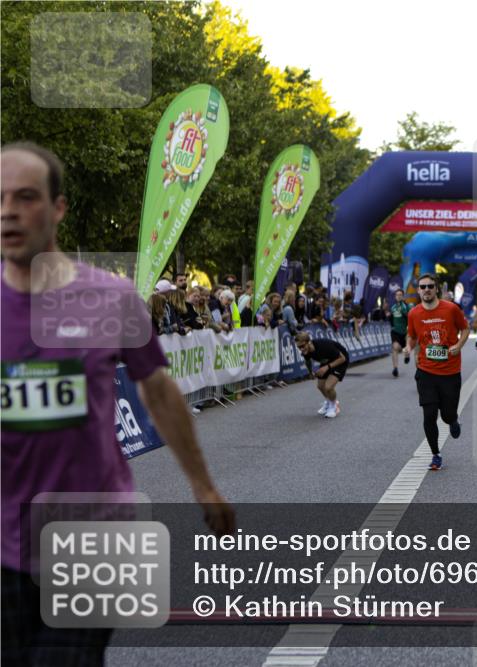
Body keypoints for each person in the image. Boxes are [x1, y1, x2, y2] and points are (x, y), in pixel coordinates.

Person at [1, 142, 234, 665]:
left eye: (25, 197)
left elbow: (157, 389)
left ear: (58, 208)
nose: (8, 211)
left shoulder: (109, 298)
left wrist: (203, 485)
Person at [405, 274, 469, 471]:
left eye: (430, 286)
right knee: (429, 414)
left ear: (437, 289)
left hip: (450, 372)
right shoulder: (414, 313)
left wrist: (458, 345)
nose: (426, 290)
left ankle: (452, 420)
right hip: (426, 371)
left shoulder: (450, 309)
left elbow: (465, 329)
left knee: (447, 414)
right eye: (422, 287)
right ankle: (435, 454)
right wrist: (409, 346)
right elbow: (412, 334)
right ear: (419, 290)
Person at [295, 331, 349, 418]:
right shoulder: (306, 351)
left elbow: (342, 358)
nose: (301, 349)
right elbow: (307, 361)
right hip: (327, 361)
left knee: (328, 387)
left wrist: (326, 367)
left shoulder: (324, 345)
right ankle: (329, 402)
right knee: (320, 386)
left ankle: (334, 406)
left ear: (309, 342)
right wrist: (310, 372)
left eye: (302, 346)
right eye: (298, 347)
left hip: (340, 361)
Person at [389, 289, 411, 377]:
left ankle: (407, 355)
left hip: (405, 331)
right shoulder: (393, 307)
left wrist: (404, 313)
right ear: (395, 297)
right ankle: (395, 368)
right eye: (397, 295)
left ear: (403, 296)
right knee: (395, 347)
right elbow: (391, 319)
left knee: (406, 345)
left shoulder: (406, 306)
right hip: (396, 331)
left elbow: (410, 318)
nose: (398, 296)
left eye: (400, 295)